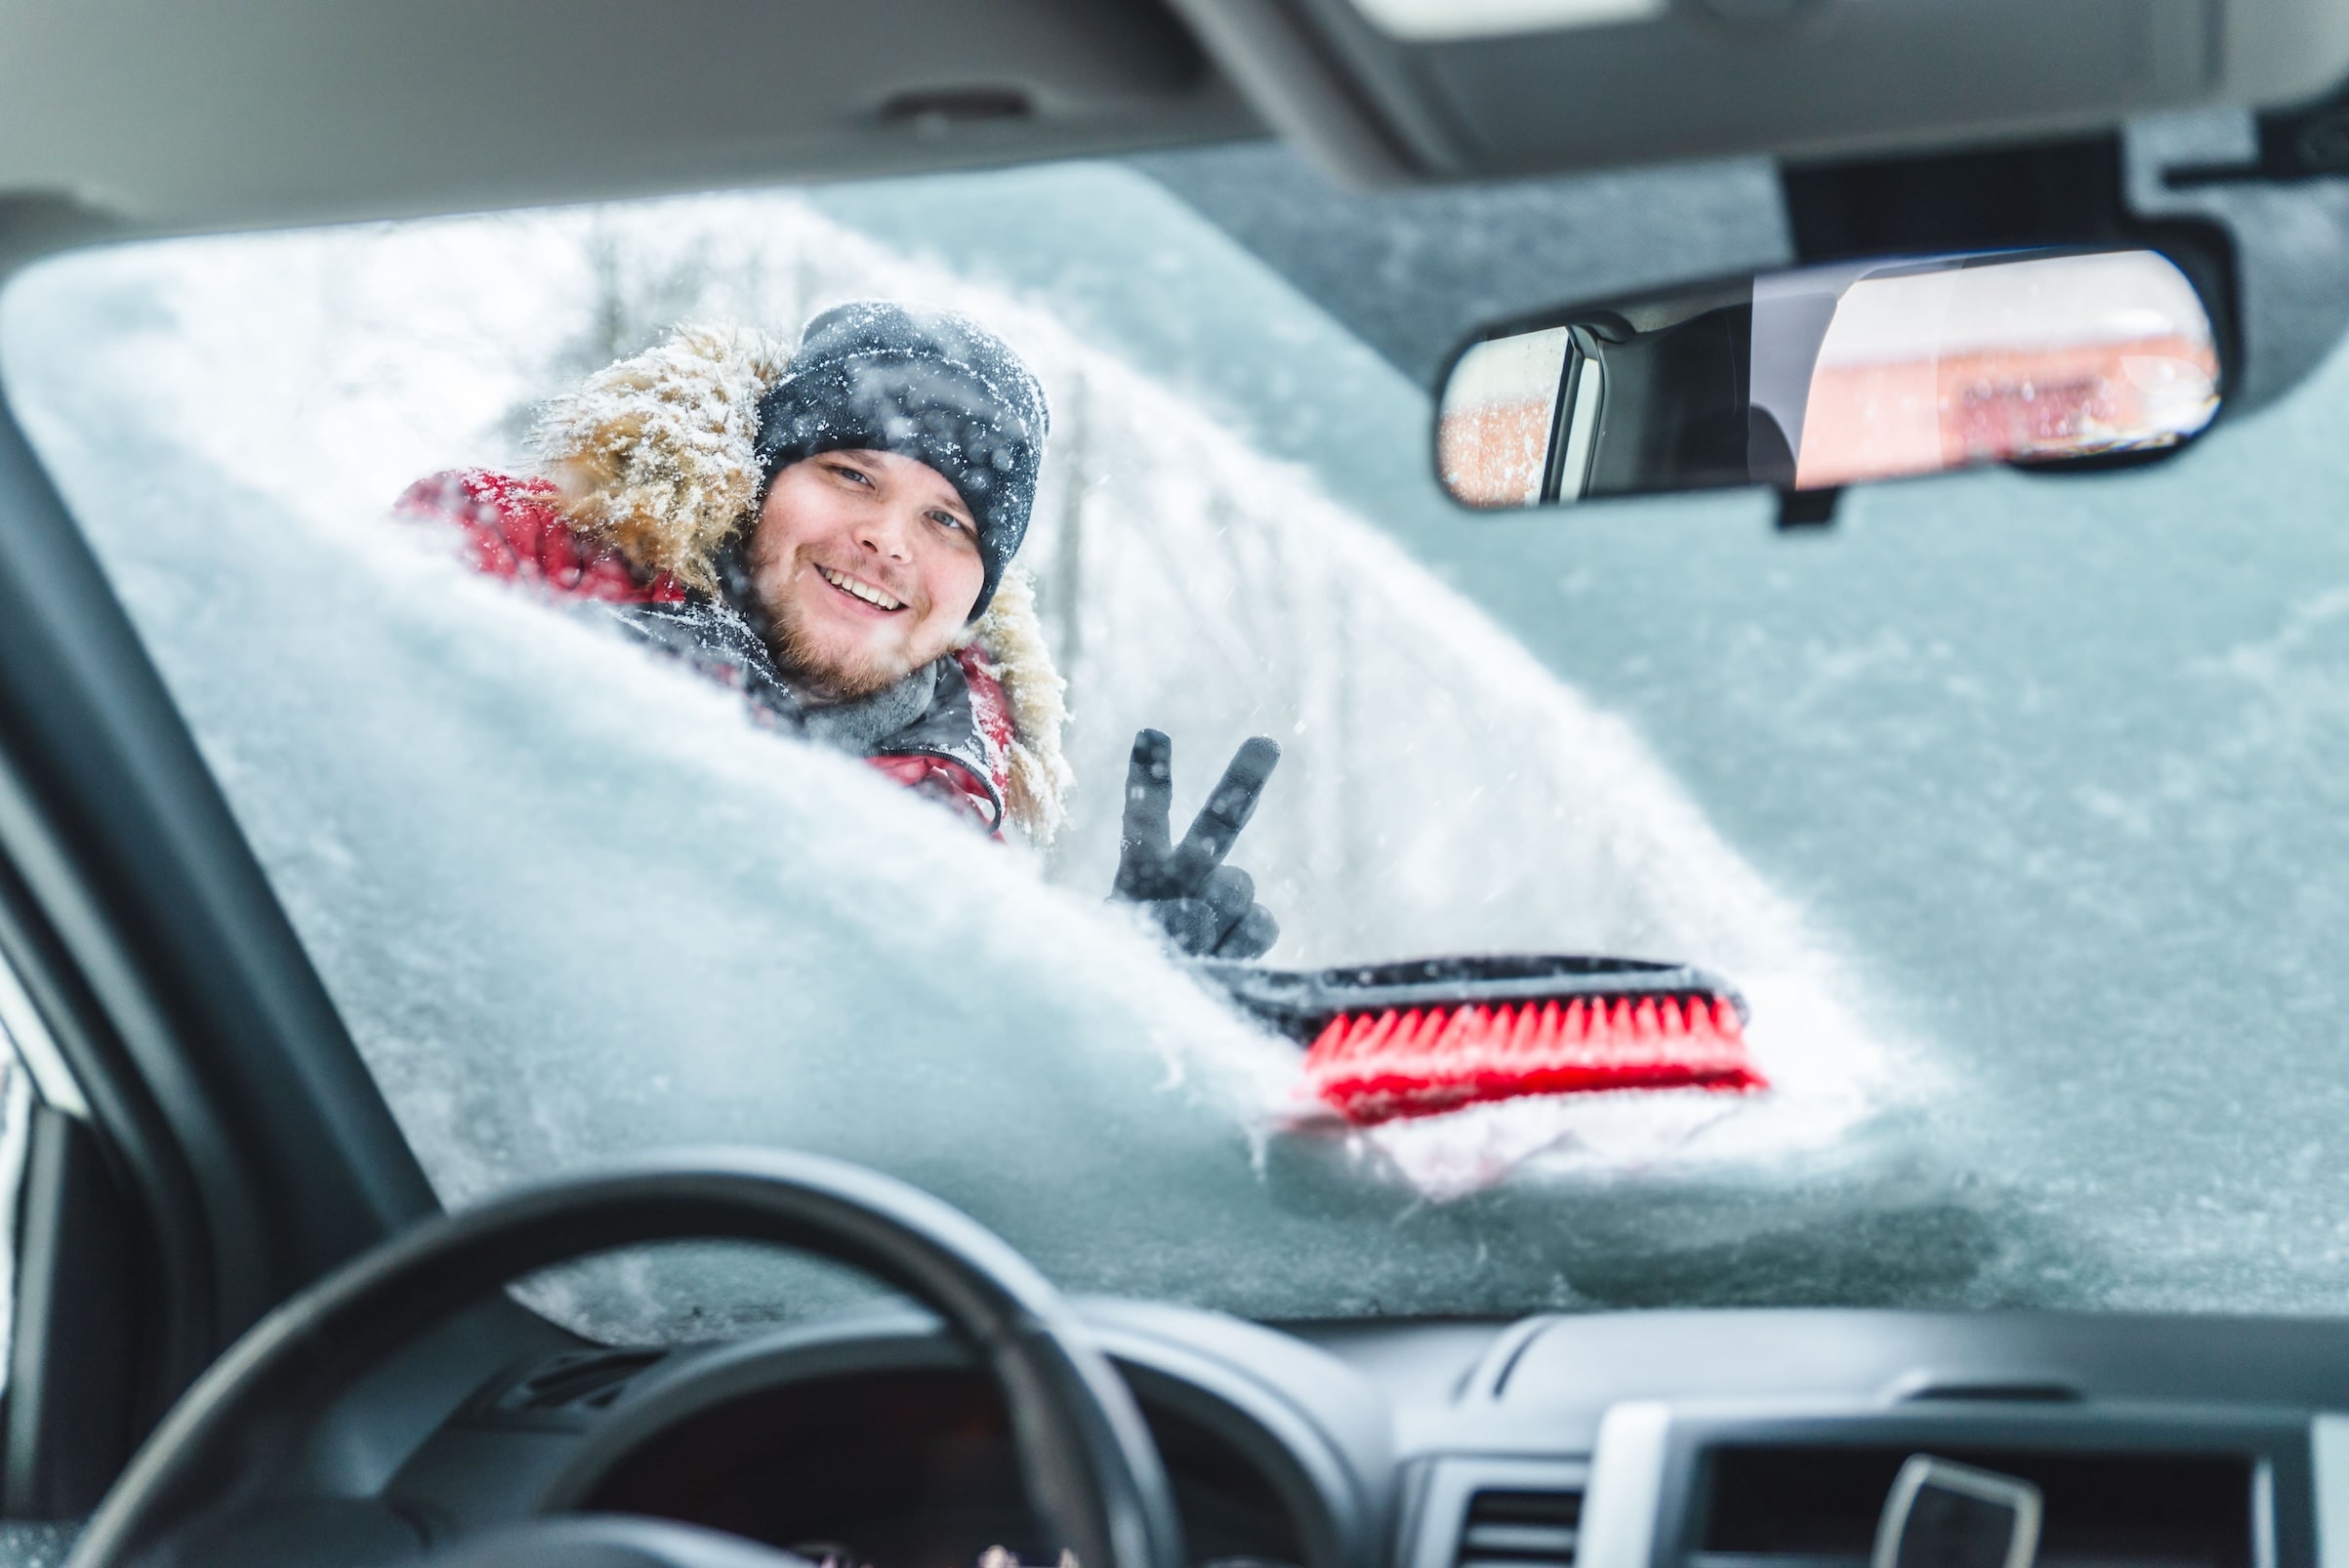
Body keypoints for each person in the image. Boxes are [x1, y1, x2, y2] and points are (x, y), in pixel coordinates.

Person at [396, 300, 1279, 959]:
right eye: (853, 475)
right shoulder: (502, 565)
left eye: (949, 523)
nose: (887, 541)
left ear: (976, 596)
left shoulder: (944, 853)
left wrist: (1114, 1005)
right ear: (755, 482)